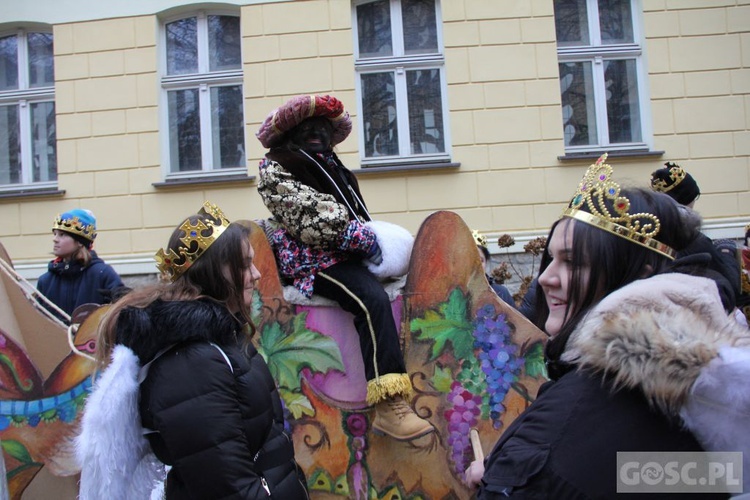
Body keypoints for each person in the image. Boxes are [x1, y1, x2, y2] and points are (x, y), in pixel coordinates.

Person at [465, 154, 750, 498]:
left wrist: (507, 480)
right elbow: (645, 477)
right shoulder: (695, 390)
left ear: (638, 275)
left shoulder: (563, 426)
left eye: (572, 262)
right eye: (550, 258)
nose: (544, 277)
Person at [76, 202, 309, 499]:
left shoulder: (219, 339)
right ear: (212, 272)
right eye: (243, 264)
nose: (255, 274)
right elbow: (226, 488)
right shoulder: (193, 363)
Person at [255, 94, 434, 441]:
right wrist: (362, 239)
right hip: (309, 261)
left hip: (345, 254)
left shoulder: (335, 167)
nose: (318, 134)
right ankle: (389, 405)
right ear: (293, 133)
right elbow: (310, 218)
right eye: (310, 128)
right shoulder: (279, 165)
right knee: (369, 299)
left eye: (324, 128)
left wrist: (377, 243)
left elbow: (358, 215)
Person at [651, 162, 742, 315]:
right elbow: (730, 286)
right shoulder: (693, 239)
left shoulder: (650, 232)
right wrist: (726, 251)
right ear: (689, 199)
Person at [36, 208, 125, 321]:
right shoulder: (46, 281)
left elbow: (122, 318)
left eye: (62, 234)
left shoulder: (102, 275)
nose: (55, 239)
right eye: (55, 234)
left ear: (79, 242)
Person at [472, 230, 515, 307]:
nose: (477, 265)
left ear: (486, 262)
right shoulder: (452, 295)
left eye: (481, 260)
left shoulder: (501, 293)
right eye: (471, 260)